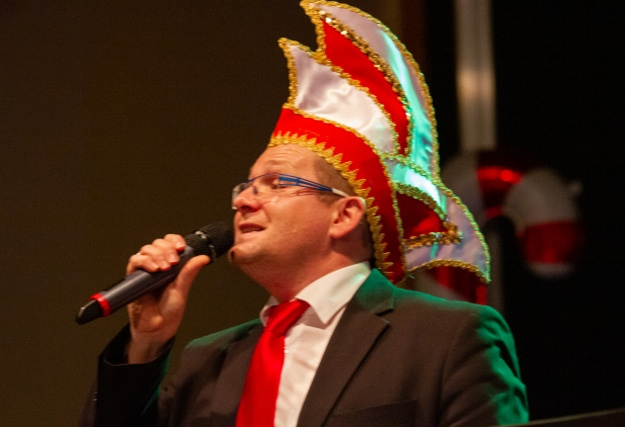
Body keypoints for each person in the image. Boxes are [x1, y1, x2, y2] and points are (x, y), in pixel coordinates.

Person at [81, 1, 528, 425]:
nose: (243, 200)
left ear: (344, 215)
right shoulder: (209, 359)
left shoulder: (445, 338)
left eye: (276, 183)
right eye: (246, 186)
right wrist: (147, 340)